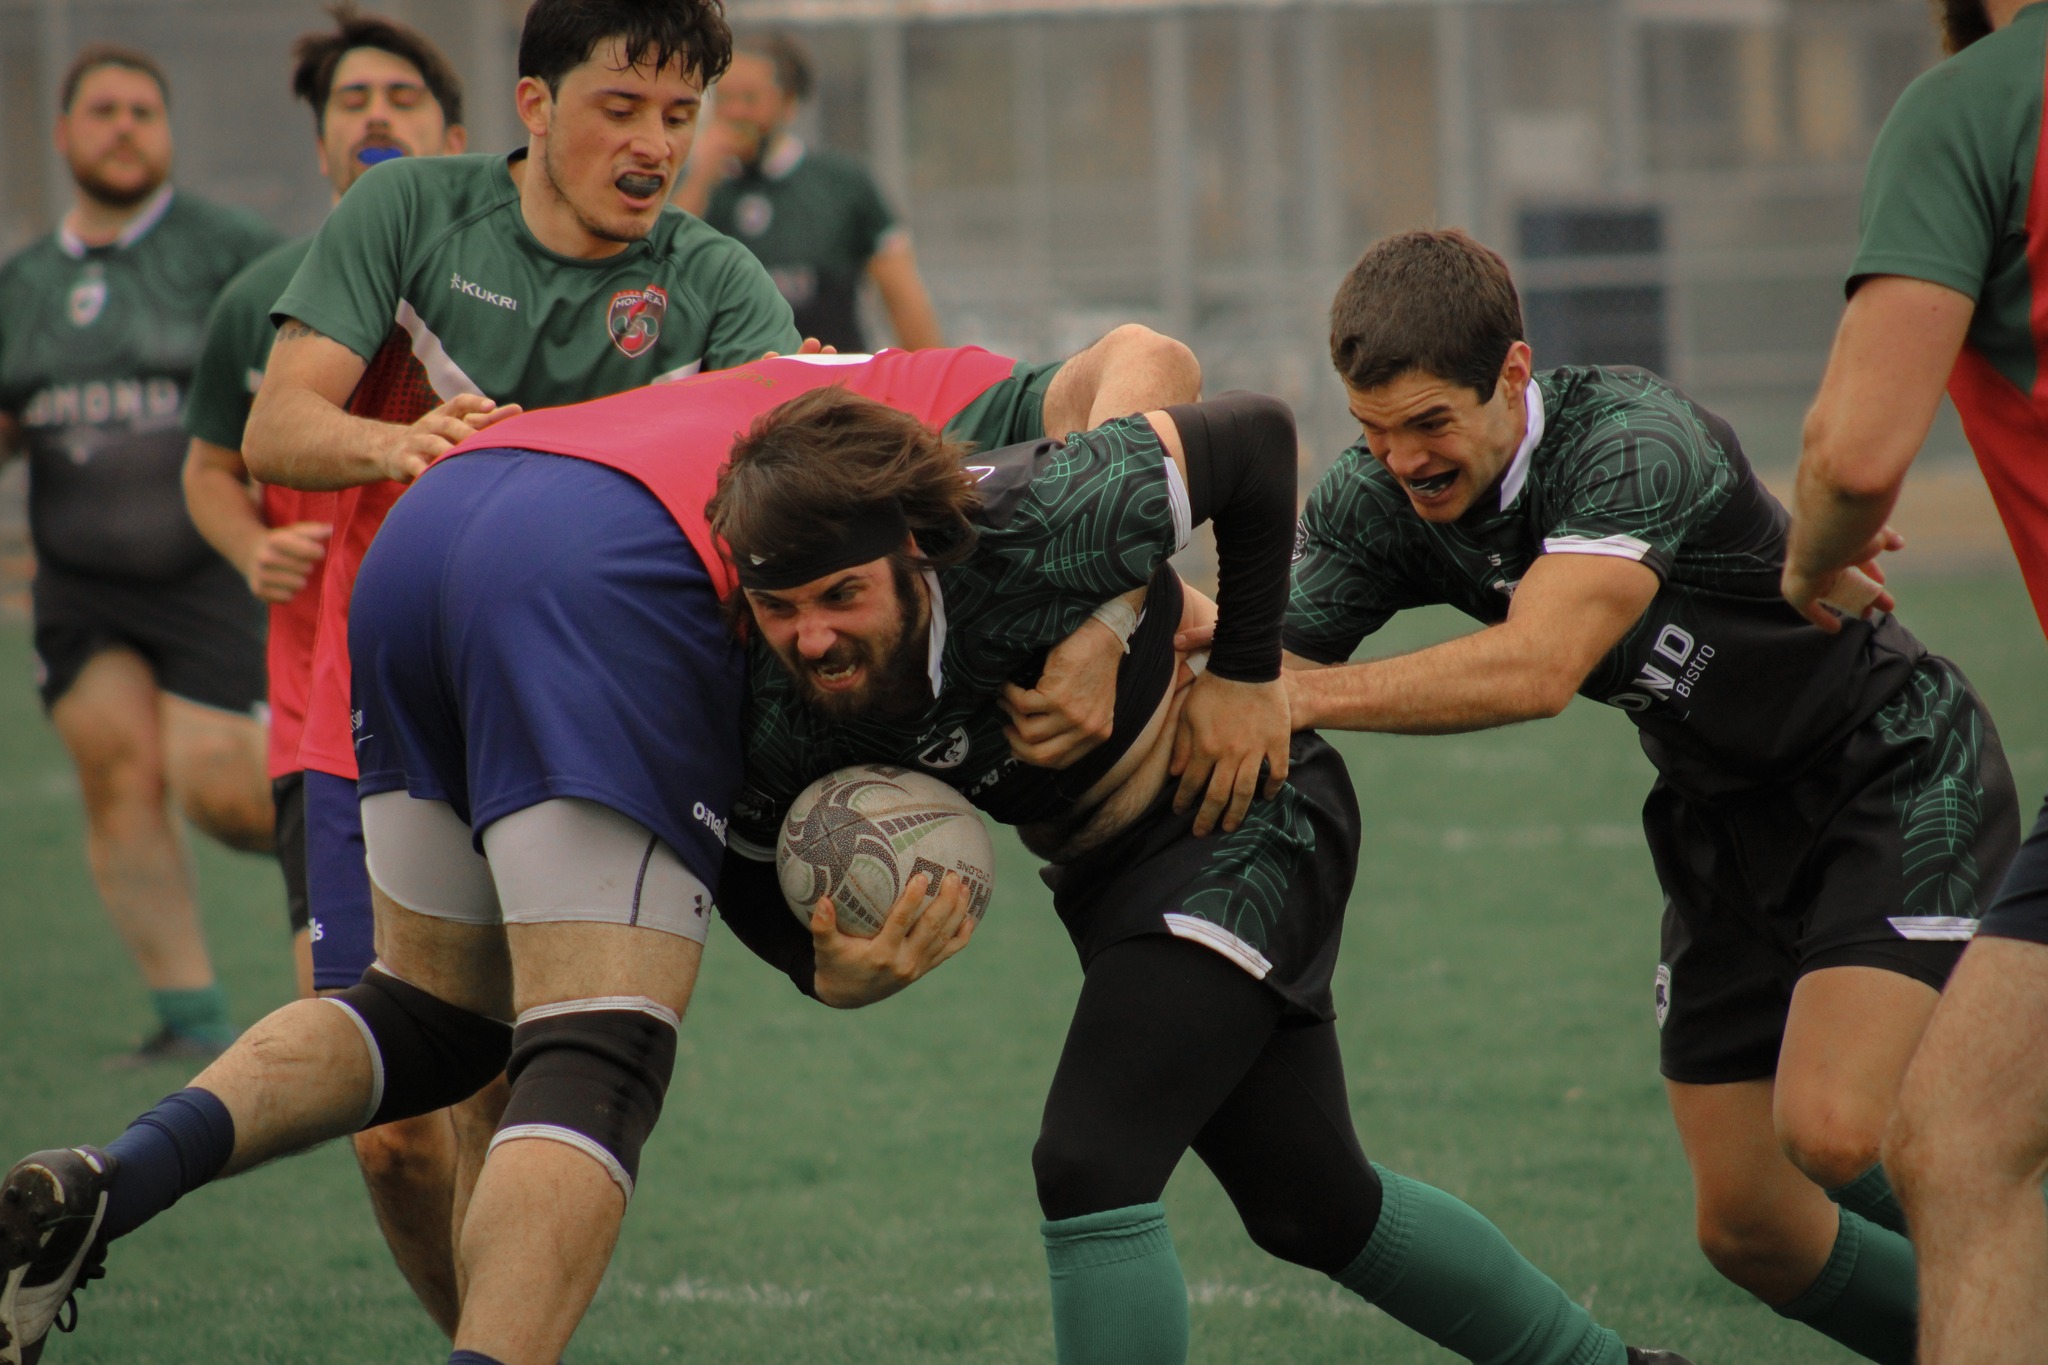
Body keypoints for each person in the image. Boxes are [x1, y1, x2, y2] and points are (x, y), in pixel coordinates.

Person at [0, 335, 1196, 1365]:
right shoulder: (941, 423)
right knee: (597, 1052)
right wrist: (1115, 595)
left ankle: (114, 1182)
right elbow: (1153, 363)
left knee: (427, 1015)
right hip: (599, 557)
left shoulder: (779, 401)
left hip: (429, 532)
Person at [701, 381, 1693, 1365]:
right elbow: (744, 864)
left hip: (1246, 809)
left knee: (1089, 1161)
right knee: (1311, 1205)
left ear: (915, 551)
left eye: (842, 596)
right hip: (1105, 877)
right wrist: (818, 970)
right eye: (780, 608)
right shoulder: (778, 708)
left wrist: (1247, 674)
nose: (813, 636)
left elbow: (1255, 440)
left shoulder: (1031, 521)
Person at [1266, 228, 2019, 1365]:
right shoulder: (1375, 501)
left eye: (1427, 424)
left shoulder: (1624, 442)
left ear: (1513, 377)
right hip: (1716, 818)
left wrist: (1298, 703)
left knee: (1832, 1128)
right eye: (1370, 431)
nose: (1400, 460)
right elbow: (1252, 666)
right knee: (1749, 1227)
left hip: (1885, 767)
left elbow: (1535, 668)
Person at [177, 4, 469, 1333]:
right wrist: (249, 548)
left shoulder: (510, 290)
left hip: (498, 722)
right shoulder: (266, 300)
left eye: (403, 97)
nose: (377, 118)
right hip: (331, 735)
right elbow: (209, 466)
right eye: (352, 101)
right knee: (393, 1128)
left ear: (461, 137)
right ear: (319, 149)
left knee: (499, 1091)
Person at [1781, 0, 2048, 1355]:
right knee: (1959, 1133)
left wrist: (1812, 559)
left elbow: (1854, 453)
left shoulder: (1979, 102)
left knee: (1959, 1141)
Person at [0, 44, 282, 1067]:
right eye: (102, 111)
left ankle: (368, 909)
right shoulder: (23, 285)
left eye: (142, 113)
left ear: (166, 136)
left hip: (210, 565)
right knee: (115, 775)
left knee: (225, 785)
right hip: (79, 583)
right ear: (64, 133)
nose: (122, 128)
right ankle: (192, 1018)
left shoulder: (232, 253)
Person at [673, 31, 943, 353]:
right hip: (737, 391)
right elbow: (660, 271)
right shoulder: (688, 187)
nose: (735, 114)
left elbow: (903, 300)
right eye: (725, 99)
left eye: (750, 99)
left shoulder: (843, 184)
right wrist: (700, 179)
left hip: (834, 386)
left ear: (788, 104)